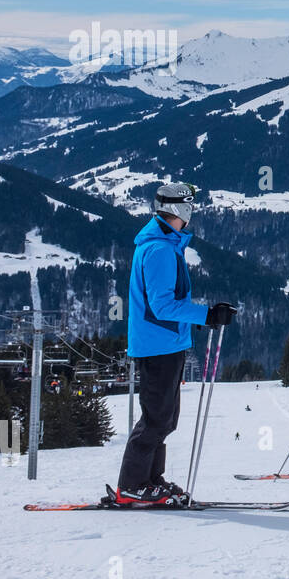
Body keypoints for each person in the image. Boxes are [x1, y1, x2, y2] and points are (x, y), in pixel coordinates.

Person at [113, 182, 236, 506]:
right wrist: (207, 314)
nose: (193, 211)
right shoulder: (160, 250)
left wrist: (206, 314)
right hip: (157, 345)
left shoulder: (166, 244)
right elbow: (162, 305)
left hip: (166, 342)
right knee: (156, 418)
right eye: (191, 205)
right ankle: (132, 485)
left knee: (166, 418)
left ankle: (151, 479)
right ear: (180, 209)